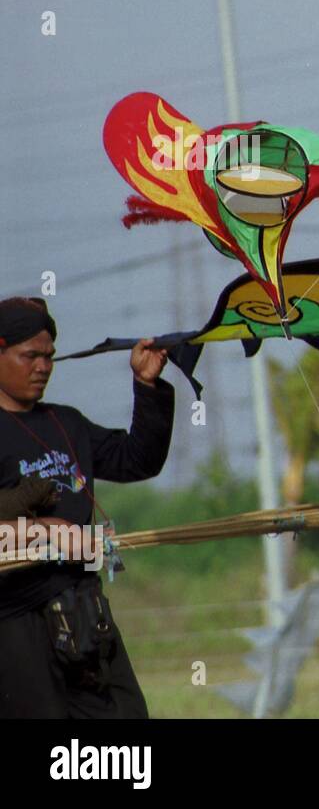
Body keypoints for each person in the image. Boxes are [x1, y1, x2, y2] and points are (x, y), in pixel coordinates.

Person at [0, 296, 174, 717]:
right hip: (17, 625)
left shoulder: (67, 423)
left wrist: (147, 386)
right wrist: (47, 531)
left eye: (49, 357)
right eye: (30, 356)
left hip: (83, 611)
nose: (42, 367)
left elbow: (137, 460)